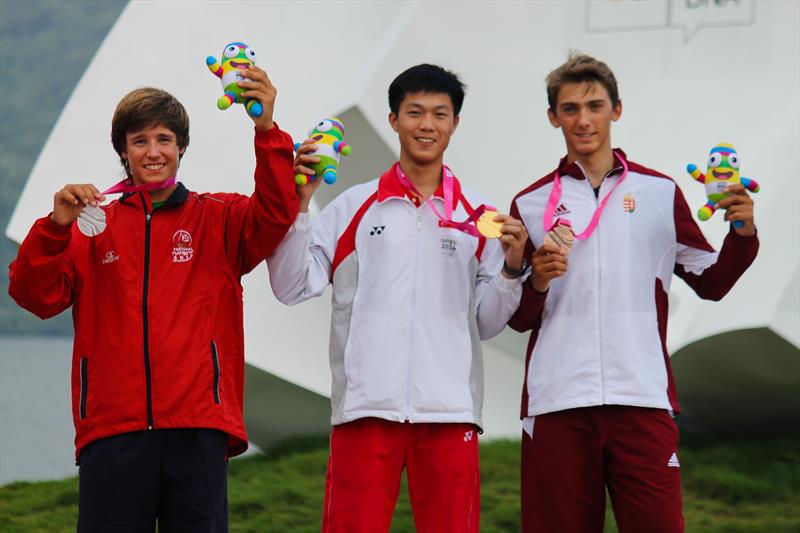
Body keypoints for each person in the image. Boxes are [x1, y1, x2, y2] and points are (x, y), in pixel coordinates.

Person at [8, 66, 299, 532]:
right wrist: (55, 226)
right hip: (112, 428)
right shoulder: (89, 225)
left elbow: (277, 211)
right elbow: (33, 295)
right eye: (139, 140)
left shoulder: (219, 218)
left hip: (198, 427)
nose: (153, 151)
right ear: (123, 150)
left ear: (181, 147)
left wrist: (266, 129)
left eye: (164, 139)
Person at [266, 63, 528, 532]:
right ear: (393, 120)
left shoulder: (482, 218)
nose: (427, 125)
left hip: (450, 412)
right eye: (414, 112)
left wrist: (511, 267)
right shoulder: (352, 207)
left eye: (439, 114)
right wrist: (300, 204)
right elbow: (290, 287)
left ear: (454, 124)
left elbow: (485, 324)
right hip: (365, 408)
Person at [508, 53, 759, 532]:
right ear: (552, 117)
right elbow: (517, 316)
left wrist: (742, 233)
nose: (584, 120)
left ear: (616, 110)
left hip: (641, 398)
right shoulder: (530, 202)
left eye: (595, 106)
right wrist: (536, 279)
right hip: (557, 403)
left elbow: (712, 282)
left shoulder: (658, 193)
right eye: (570, 108)